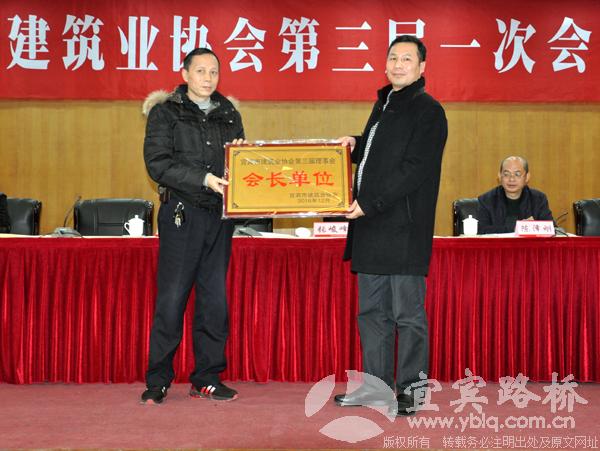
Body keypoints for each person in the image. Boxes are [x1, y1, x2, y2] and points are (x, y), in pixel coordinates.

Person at [335, 35, 447, 416]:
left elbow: (413, 169)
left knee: (407, 317)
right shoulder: (384, 104)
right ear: (385, 64)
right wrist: (356, 143)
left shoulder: (429, 111)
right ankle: (376, 388)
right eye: (393, 58)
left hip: (403, 230)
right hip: (371, 229)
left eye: (407, 59)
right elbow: (381, 154)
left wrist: (370, 204)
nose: (398, 65)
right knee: (371, 315)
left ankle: (412, 392)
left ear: (422, 67)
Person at [141, 48, 244, 404]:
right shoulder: (165, 112)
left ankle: (207, 377)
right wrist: (203, 179)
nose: (208, 78)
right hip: (181, 215)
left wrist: (243, 167)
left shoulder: (229, 113)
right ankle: (158, 379)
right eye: (200, 71)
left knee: (214, 301)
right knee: (172, 299)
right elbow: (158, 164)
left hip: (219, 218)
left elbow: (240, 162)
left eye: (214, 71)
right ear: (185, 74)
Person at [477, 156, 553, 234]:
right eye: (506, 174)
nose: (511, 179)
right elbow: (481, 230)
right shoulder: (486, 200)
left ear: (527, 177)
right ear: (500, 176)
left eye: (517, 174)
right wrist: (519, 227)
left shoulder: (538, 199)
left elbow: (551, 228)